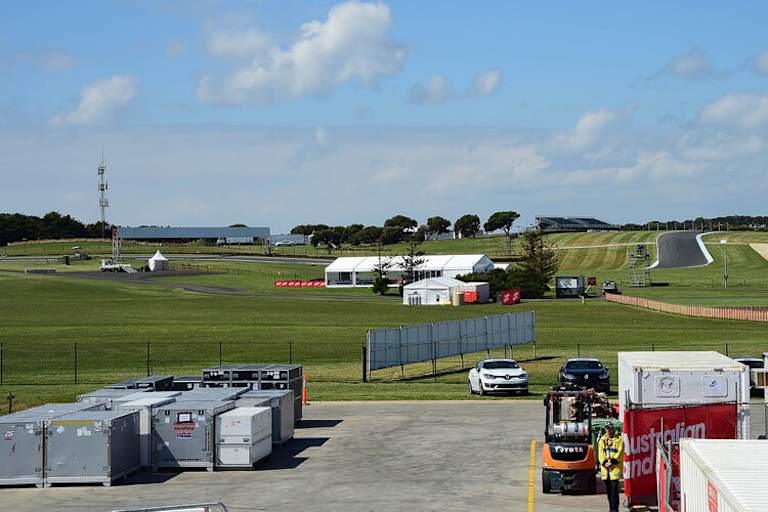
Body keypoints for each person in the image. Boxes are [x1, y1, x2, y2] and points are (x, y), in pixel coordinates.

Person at [598, 423, 624, 512]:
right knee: (609, 492)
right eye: (607, 429)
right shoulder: (602, 440)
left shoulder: (619, 440)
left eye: (610, 429)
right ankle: (611, 509)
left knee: (614, 492)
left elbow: (620, 452)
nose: (608, 431)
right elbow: (600, 454)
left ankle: (615, 510)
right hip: (606, 470)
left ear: (613, 429)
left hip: (614, 469)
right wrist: (605, 463)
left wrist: (612, 462)